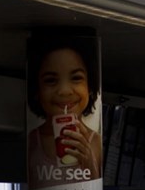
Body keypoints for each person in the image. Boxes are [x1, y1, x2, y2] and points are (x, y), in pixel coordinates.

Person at [27, 34, 104, 178]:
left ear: (91, 86)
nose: (64, 91)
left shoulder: (96, 143)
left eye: (76, 78)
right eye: (51, 80)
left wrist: (89, 164)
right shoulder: (31, 142)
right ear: (36, 90)